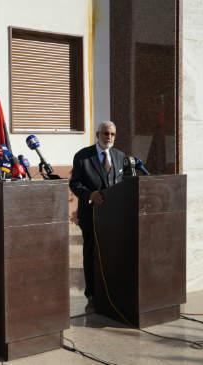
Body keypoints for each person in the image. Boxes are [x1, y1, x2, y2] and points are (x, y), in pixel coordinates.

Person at [69, 121, 125, 310]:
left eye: (112, 134)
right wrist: (89, 195)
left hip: (114, 215)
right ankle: (92, 291)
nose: (109, 137)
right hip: (91, 214)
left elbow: (124, 182)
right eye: (105, 133)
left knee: (113, 251)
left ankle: (111, 287)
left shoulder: (120, 156)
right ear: (97, 134)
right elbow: (74, 184)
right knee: (92, 252)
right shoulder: (83, 156)